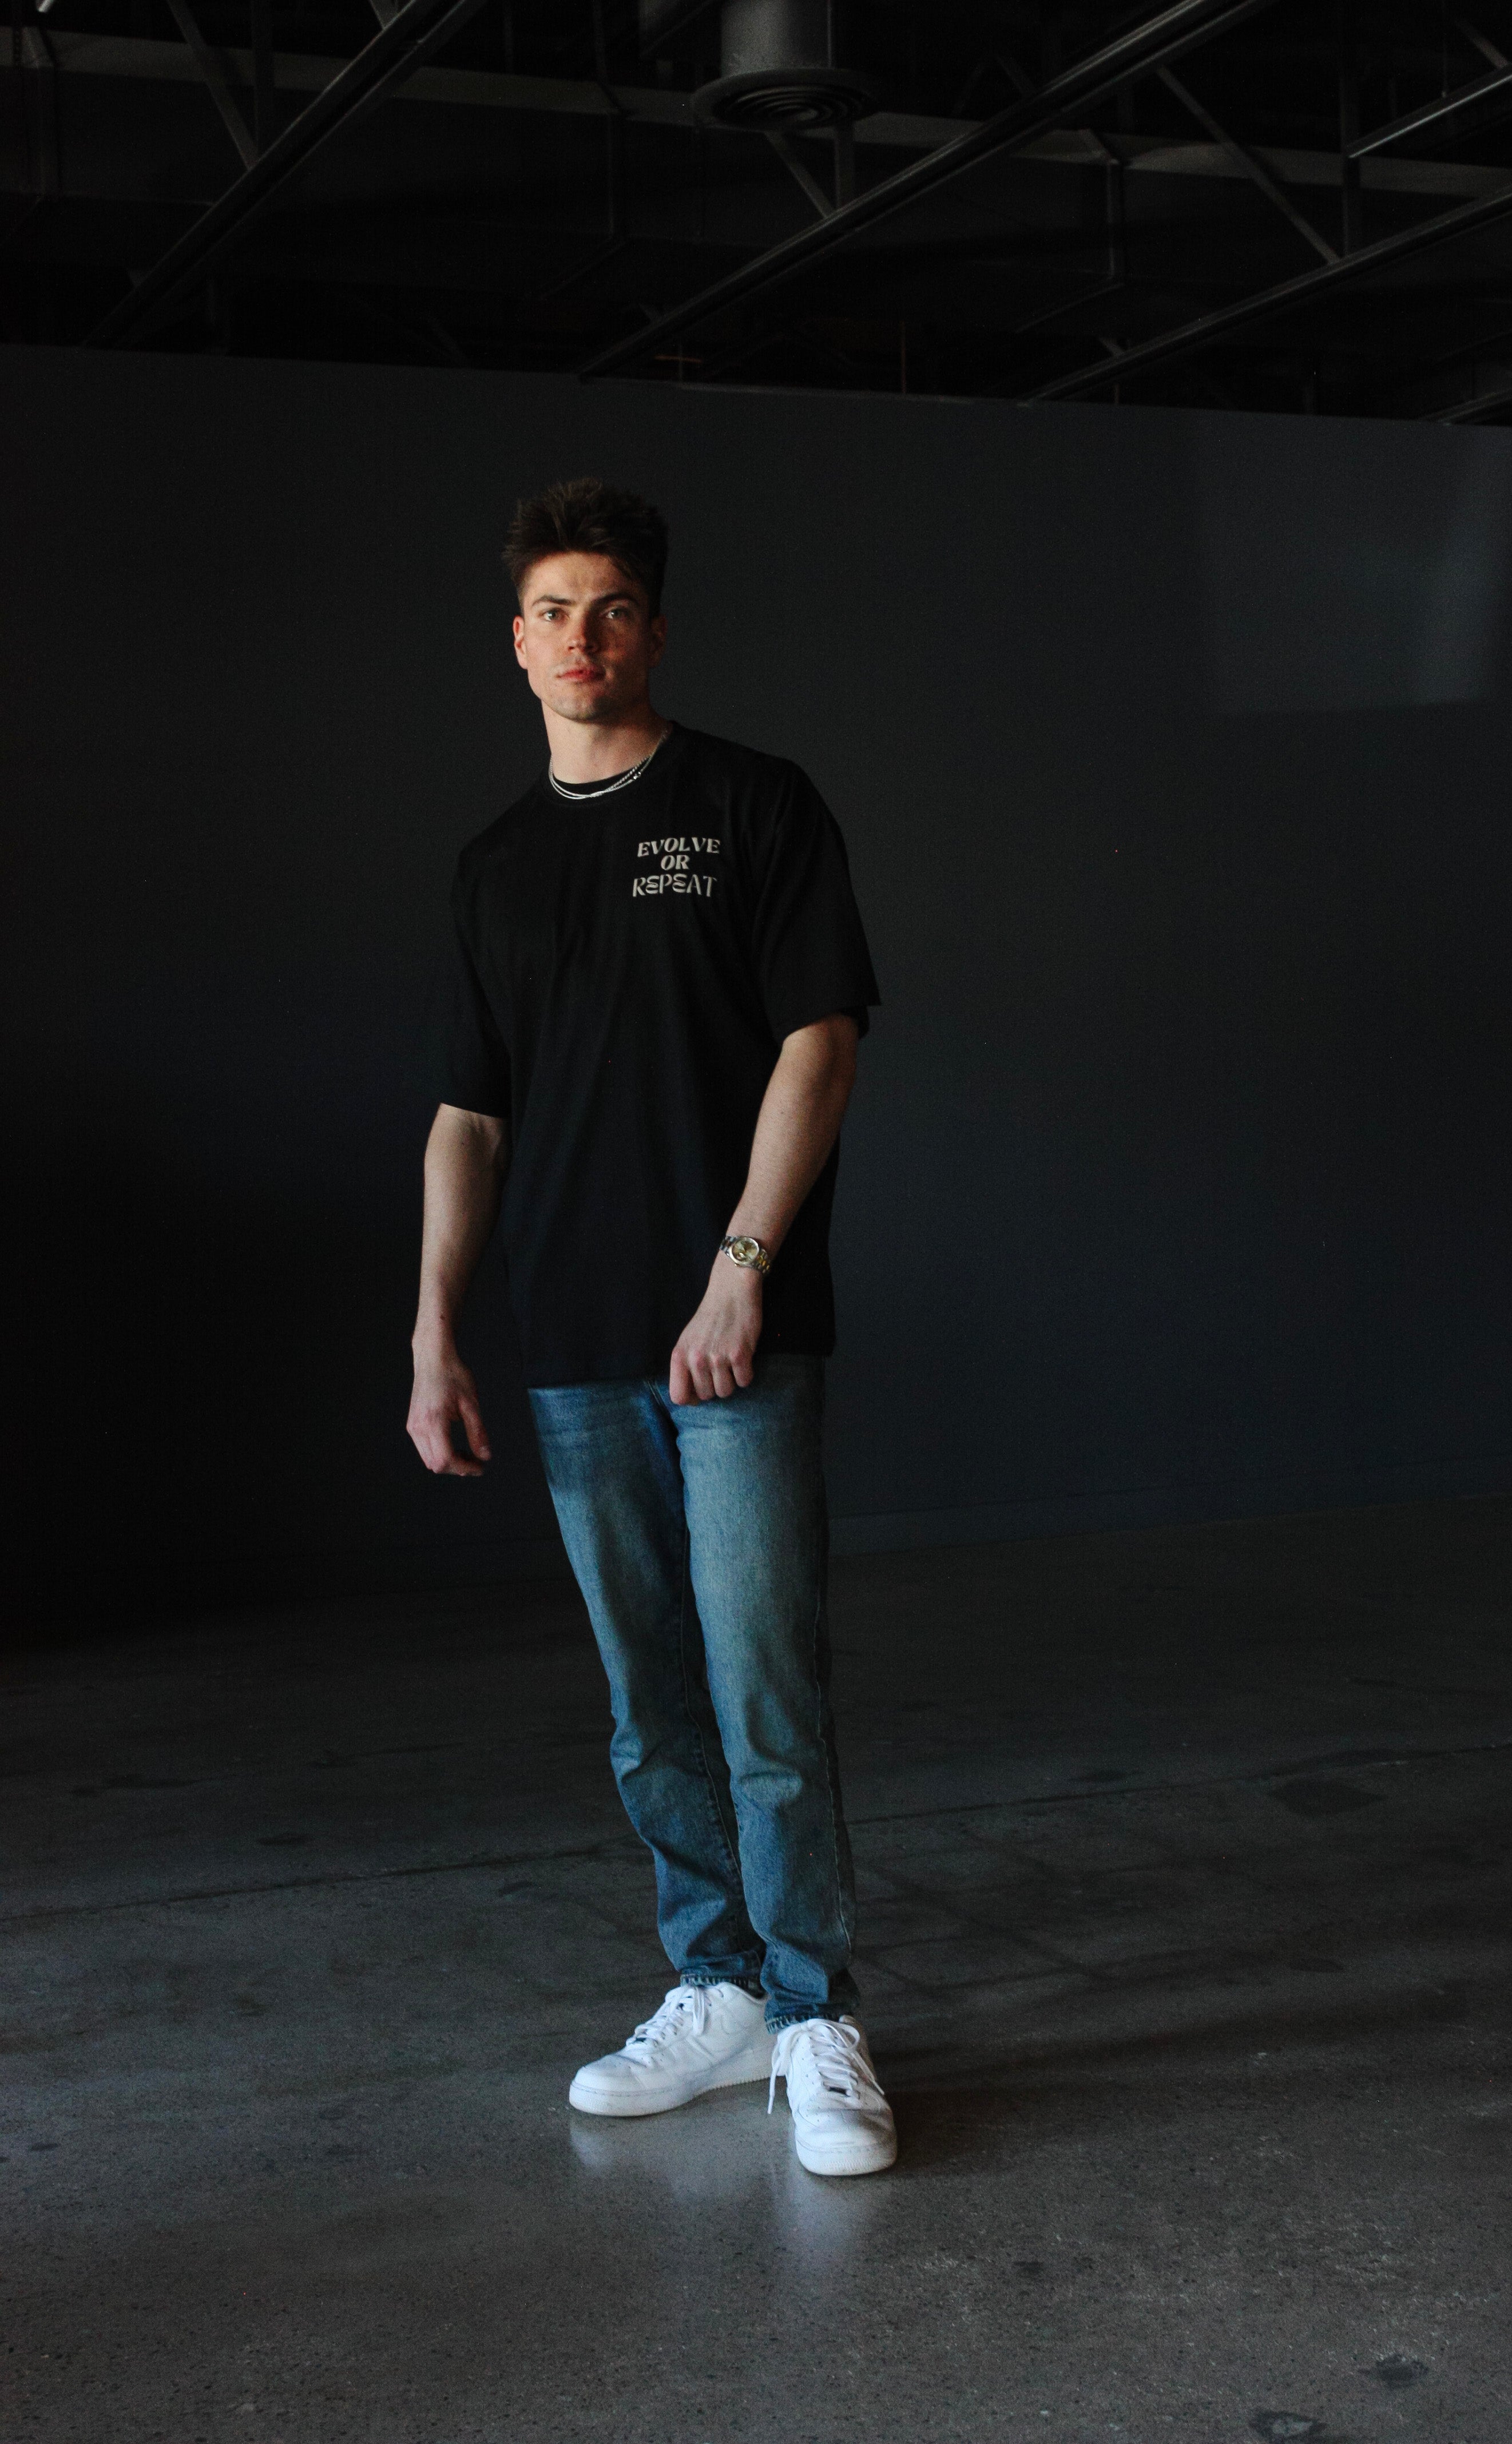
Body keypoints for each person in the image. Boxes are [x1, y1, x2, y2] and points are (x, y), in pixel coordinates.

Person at [406, 477, 895, 2178]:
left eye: (610, 608)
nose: (581, 638)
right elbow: (470, 1116)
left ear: (655, 632)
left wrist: (743, 1266)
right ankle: (721, 1987)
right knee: (649, 1701)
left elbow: (821, 1041)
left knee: (766, 1690)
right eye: (552, 612)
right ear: (516, 642)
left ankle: (816, 2013)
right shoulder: (495, 868)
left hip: (733, 1333)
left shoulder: (754, 805)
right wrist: (434, 1333)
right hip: (572, 1345)